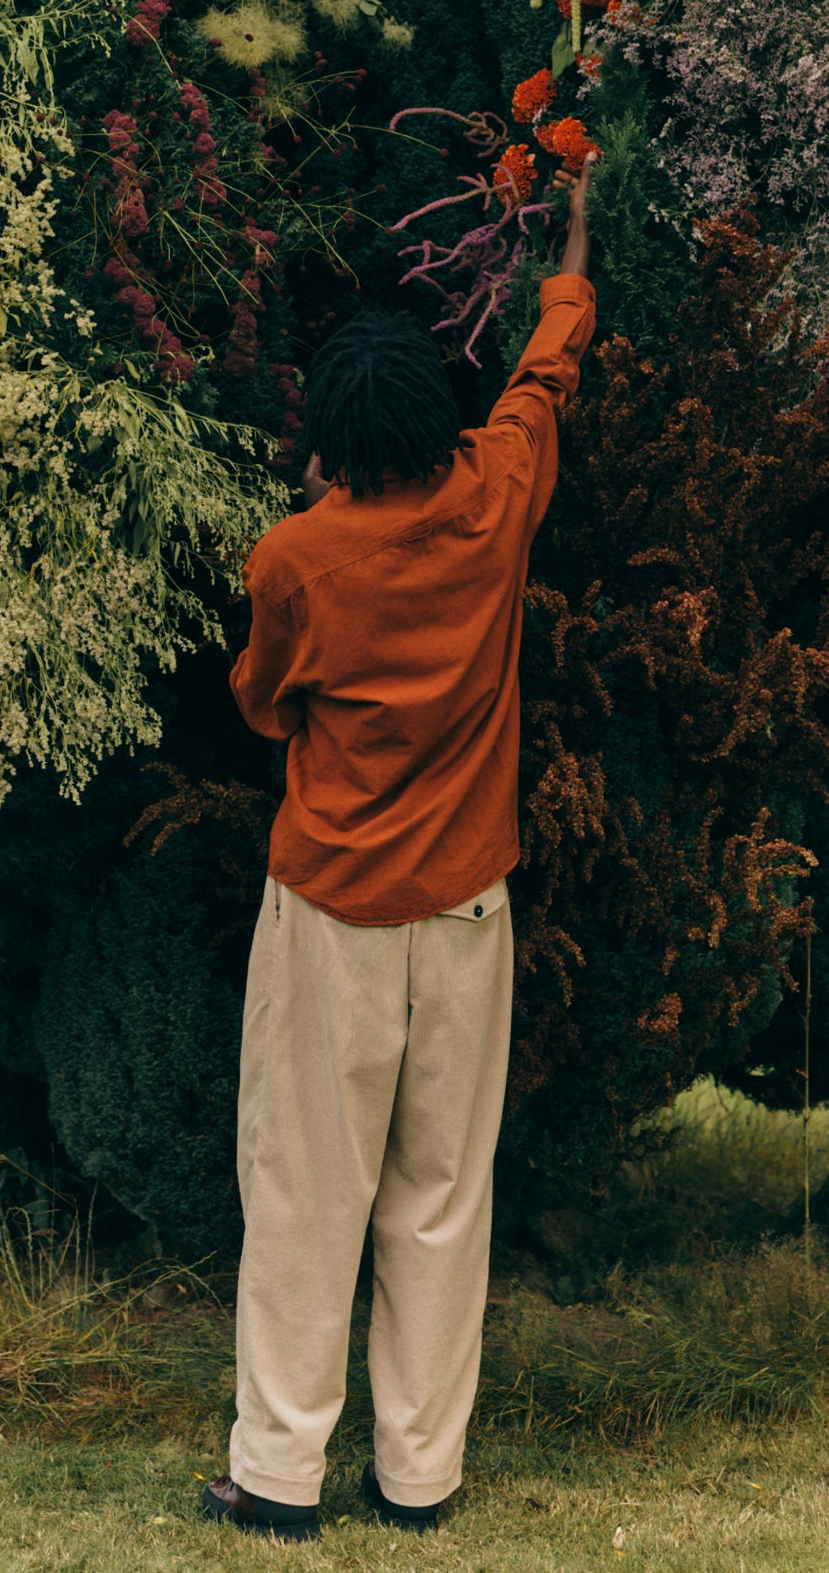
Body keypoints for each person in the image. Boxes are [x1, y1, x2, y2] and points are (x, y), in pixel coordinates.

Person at [202, 158, 598, 1544]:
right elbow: (544, 374)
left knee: (310, 1191)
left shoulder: (296, 557)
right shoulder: (494, 501)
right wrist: (573, 239)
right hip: (470, 911)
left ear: (330, 434)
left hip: (332, 914)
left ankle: (279, 1474)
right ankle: (418, 1479)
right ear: (431, 412)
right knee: (440, 1195)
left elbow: (262, 702)